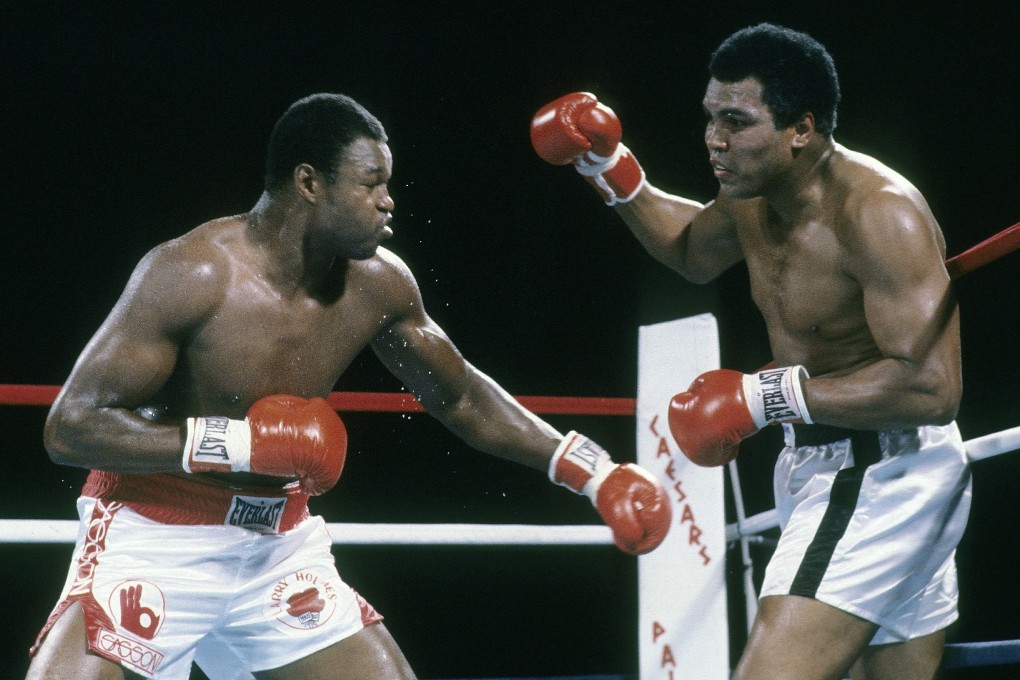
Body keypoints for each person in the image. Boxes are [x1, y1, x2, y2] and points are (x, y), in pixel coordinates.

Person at [26, 93, 672, 680]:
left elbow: (461, 396)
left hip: (276, 545)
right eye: (371, 183)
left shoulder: (378, 284)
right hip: (155, 530)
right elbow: (72, 427)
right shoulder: (192, 272)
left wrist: (593, 471)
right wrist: (240, 445)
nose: (388, 201)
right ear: (308, 183)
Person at [531, 23, 971, 680]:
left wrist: (760, 397)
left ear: (801, 128)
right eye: (711, 117)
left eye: (736, 121)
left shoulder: (878, 214)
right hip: (825, 462)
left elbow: (934, 389)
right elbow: (688, 250)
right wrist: (605, 168)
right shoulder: (749, 197)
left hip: (879, 474)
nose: (714, 138)